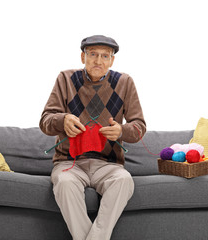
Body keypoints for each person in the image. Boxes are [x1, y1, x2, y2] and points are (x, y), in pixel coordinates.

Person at [39, 35, 146, 240]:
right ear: (82, 57)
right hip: (69, 163)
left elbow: (139, 127)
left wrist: (121, 131)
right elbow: (45, 121)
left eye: (105, 56)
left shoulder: (124, 82)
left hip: (108, 164)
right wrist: (63, 120)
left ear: (112, 60)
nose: (98, 61)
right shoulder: (65, 79)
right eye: (93, 54)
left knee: (124, 180)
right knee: (64, 183)